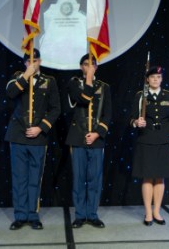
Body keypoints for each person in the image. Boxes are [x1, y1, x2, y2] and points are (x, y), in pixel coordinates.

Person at [5, 49, 61, 230]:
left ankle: (33, 214)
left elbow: (55, 109)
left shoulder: (49, 81)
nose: (33, 64)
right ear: (24, 63)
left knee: (34, 177)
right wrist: (26, 76)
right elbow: (11, 93)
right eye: (29, 61)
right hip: (18, 135)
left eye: (35, 61)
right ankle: (20, 215)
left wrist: (41, 127)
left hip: (38, 136)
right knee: (19, 177)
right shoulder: (16, 78)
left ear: (40, 61)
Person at [66, 54, 112, 229]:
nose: (89, 67)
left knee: (94, 179)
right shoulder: (73, 83)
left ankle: (92, 214)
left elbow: (108, 114)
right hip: (78, 137)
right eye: (86, 64)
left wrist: (97, 133)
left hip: (96, 139)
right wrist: (89, 79)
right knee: (79, 179)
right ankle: (79, 215)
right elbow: (83, 99)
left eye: (93, 64)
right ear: (81, 67)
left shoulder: (105, 87)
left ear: (97, 67)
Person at [130, 66, 169, 226]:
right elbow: (131, 118)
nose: (155, 80)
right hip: (146, 139)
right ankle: (148, 213)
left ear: (162, 79)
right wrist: (137, 122)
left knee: (160, 177)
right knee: (147, 177)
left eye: (158, 77)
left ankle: (157, 211)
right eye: (152, 77)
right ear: (147, 79)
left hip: (164, 141)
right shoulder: (140, 95)